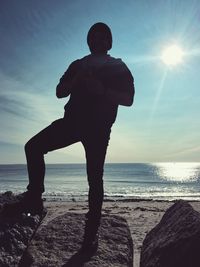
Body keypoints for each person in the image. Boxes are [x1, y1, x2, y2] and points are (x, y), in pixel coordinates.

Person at [2, 22, 135, 251]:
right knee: (32, 147)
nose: (98, 40)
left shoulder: (118, 66)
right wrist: (77, 80)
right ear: (89, 40)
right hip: (71, 123)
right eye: (94, 36)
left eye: (103, 37)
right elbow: (59, 92)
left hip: (99, 129)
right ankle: (34, 197)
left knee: (95, 179)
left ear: (109, 42)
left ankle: (90, 235)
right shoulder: (78, 64)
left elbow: (129, 99)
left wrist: (101, 90)